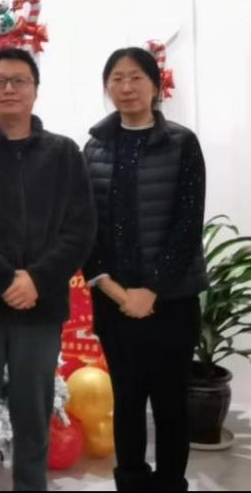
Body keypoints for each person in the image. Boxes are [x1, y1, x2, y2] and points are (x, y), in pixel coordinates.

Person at [0, 48, 96, 492]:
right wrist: (6, 280)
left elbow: (80, 229)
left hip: (39, 310)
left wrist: (36, 280)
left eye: (19, 80)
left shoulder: (64, 154)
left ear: (35, 90)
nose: (9, 89)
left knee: (33, 422)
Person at [82, 47, 207, 491]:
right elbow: (86, 227)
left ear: (155, 85)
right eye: (117, 78)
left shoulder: (181, 143)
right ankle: (132, 483)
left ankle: (171, 483)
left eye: (136, 77)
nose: (127, 87)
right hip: (115, 302)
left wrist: (151, 290)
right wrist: (116, 291)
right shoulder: (94, 148)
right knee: (128, 401)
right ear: (107, 86)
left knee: (171, 403)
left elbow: (188, 224)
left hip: (172, 300)